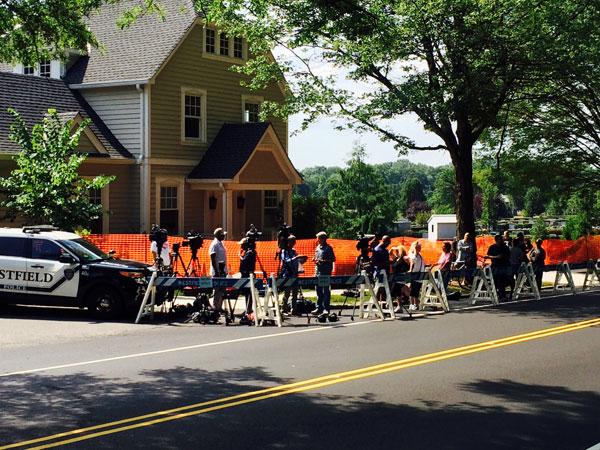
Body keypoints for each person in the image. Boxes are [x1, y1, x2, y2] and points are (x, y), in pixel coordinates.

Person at [280, 235, 307, 314]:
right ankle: (284, 308)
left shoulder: (293, 251)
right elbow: (286, 261)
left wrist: (302, 260)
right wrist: (296, 257)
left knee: (295, 292)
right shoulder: (284, 251)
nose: (293, 243)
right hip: (287, 273)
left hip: (294, 273)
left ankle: (294, 309)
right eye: (292, 241)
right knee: (287, 292)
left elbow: (296, 261)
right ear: (288, 242)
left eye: (294, 241)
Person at [312, 231, 336, 315]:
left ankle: (326, 308)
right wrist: (314, 259)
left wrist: (323, 261)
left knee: (326, 290)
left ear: (323, 239)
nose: (317, 240)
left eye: (318, 238)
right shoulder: (318, 247)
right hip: (317, 271)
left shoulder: (328, 248)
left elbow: (333, 259)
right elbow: (316, 256)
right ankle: (319, 307)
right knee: (318, 290)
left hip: (325, 272)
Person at [485, 234, 511, 300]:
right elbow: (488, 255)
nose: (502, 240)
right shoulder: (492, 247)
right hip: (495, 266)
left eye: (502, 239)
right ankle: (496, 295)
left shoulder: (505, 247)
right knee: (495, 281)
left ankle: (502, 295)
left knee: (502, 281)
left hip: (503, 266)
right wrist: (496, 257)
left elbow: (508, 256)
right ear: (496, 240)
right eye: (501, 239)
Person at [209, 227, 228, 312]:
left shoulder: (221, 243)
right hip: (217, 272)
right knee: (217, 290)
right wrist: (216, 271)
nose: (224, 236)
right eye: (223, 235)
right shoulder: (214, 244)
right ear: (219, 235)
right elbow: (213, 258)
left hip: (223, 271)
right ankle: (215, 307)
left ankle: (219, 307)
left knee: (222, 290)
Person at [238, 237, 256, 318]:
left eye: (242, 245)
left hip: (248, 275)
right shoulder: (248, 252)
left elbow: (245, 261)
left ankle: (249, 309)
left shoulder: (249, 253)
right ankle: (247, 309)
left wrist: (240, 256)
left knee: (249, 293)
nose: (241, 246)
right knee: (246, 293)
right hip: (245, 275)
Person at [390, 245, 410, 312]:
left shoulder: (403, 258)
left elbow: (409, 261)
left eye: (397, 251)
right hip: (395, 277)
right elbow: (390, 253)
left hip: (400, 277)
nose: (396, 252)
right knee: (397, 292)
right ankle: (399, 306)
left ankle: (395, 305)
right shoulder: (396, 259)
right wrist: (393, 248)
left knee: (394, 290)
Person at [371, 235, 391, 303]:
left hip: (385, 272)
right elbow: (374, 262)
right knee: (379, 289)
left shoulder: (385, 250)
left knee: (384, 290)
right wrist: (385, 263)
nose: (388, 245)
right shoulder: (377, 250)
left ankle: (383, 307)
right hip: (379, 272)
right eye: (388, 243)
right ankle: (377, 307)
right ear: (384, 241)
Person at [407, 240, 426, 311]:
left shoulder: (420, 256)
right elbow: (413, 260)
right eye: (418, 247)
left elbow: (422, 264)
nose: (419, 249)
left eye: (420, 247)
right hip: (413, 274)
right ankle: (411, 304)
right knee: (411, 290)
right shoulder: (411, 254)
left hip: (419, 275)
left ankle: (416, 304)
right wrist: (415, 252)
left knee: (416, 290)